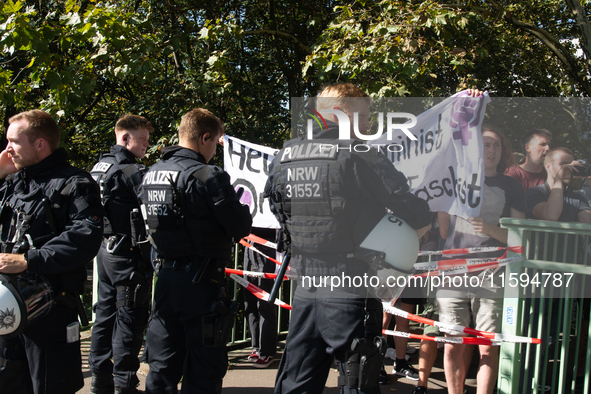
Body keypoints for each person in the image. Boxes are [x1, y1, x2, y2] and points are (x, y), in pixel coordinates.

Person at [267, 83, 432, 394]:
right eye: (366, 115)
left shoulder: (285, 155)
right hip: (350, 285)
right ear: (343, 113)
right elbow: (413, 210)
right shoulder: (360, 156)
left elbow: (277, 210)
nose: (369, 124)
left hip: (304, 286)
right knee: (357, 381)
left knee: (297, 382)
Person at [139, 108, 252, 393]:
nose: (215, 149)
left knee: (162, 366)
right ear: (205, 138)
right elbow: (239, 226)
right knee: (204, 368)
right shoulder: (207, 175)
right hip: (201, 283)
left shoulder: (152, 173)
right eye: (215, 142)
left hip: (164, 279)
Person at [0, 110, 104, 394]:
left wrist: (27, 261)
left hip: (50, 310)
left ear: (40, 144)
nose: (7, 149)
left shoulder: (75, 183)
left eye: (13, 142)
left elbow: (84, 238)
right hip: (8, 310)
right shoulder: (12, 182)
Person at [437, 125, 526, 394]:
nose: (491, 150)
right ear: (475, 148)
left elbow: (518, 236)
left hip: (492, 273)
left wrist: (489, 229)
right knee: (453, 342)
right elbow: (443, 230)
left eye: (496, 145)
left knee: (487, 345)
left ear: (503, 151)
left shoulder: (511, 185)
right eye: (485, 144)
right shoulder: (455, 179)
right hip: (453, 271)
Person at [88, 114, 154, 394]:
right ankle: (124, 383)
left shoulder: (99, 166)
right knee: (130, 317)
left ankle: (99, 380)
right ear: (125, 138)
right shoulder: (130, 170)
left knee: (104, 316)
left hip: (105, 251)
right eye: (143, 139)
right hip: (128, 254)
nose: (147, 145)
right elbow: (152, 204)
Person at [243, 227, 278, 368]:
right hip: (249, 244)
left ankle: (266, 351)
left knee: (265, 302)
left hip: (267, 245)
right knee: (249, 301)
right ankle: (256, 346)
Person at [526, 147, 591, 224]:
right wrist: (559, 179)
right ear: (548, 167)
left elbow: (588, 222)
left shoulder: (577, 198)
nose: (569, 168)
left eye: (572, 165)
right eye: (563, 164)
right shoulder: (534, 193)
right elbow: (551, 216)